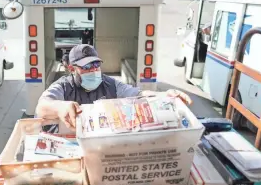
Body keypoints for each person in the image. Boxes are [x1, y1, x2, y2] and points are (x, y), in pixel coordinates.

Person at [36, 44, 192, 131]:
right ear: (72, 69)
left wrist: (164, 95)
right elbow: (42, 107)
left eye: (96, 65)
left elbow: (139, 94)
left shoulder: (110, 84)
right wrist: (60, 108)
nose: (93, 70)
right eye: (86, 66)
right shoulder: (63, 86)